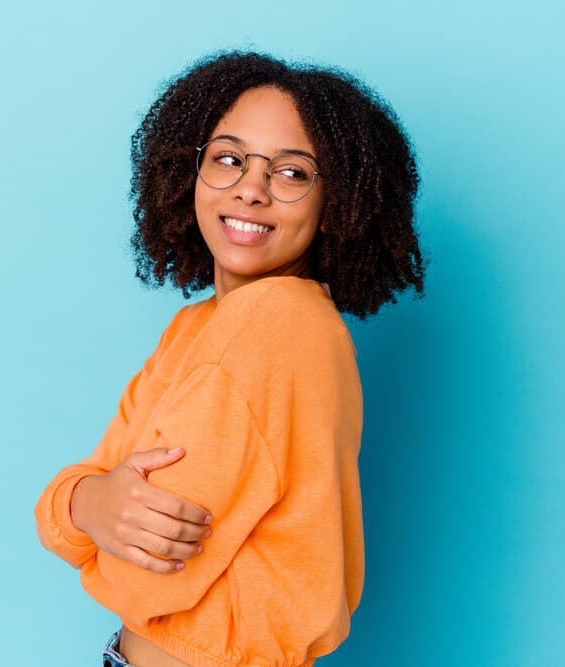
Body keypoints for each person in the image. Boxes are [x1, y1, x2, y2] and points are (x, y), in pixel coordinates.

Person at [34, 51, 425, 667]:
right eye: (228, 158)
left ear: (337, 205)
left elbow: (147, 566)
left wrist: (87, 511)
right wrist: (88, 503)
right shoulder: (196, 327)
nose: (250, 187)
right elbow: (91, 489)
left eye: (293, 173)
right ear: (188, 170)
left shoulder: (282, 327)